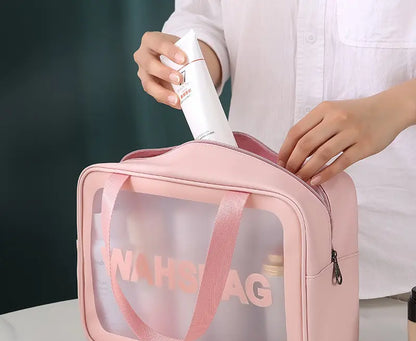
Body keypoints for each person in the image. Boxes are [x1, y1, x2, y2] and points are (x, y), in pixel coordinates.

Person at [133, 1, 416, 299]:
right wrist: (188, 63)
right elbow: (205, 15)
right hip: (253, 260)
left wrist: (395, 107)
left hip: (397, 262)